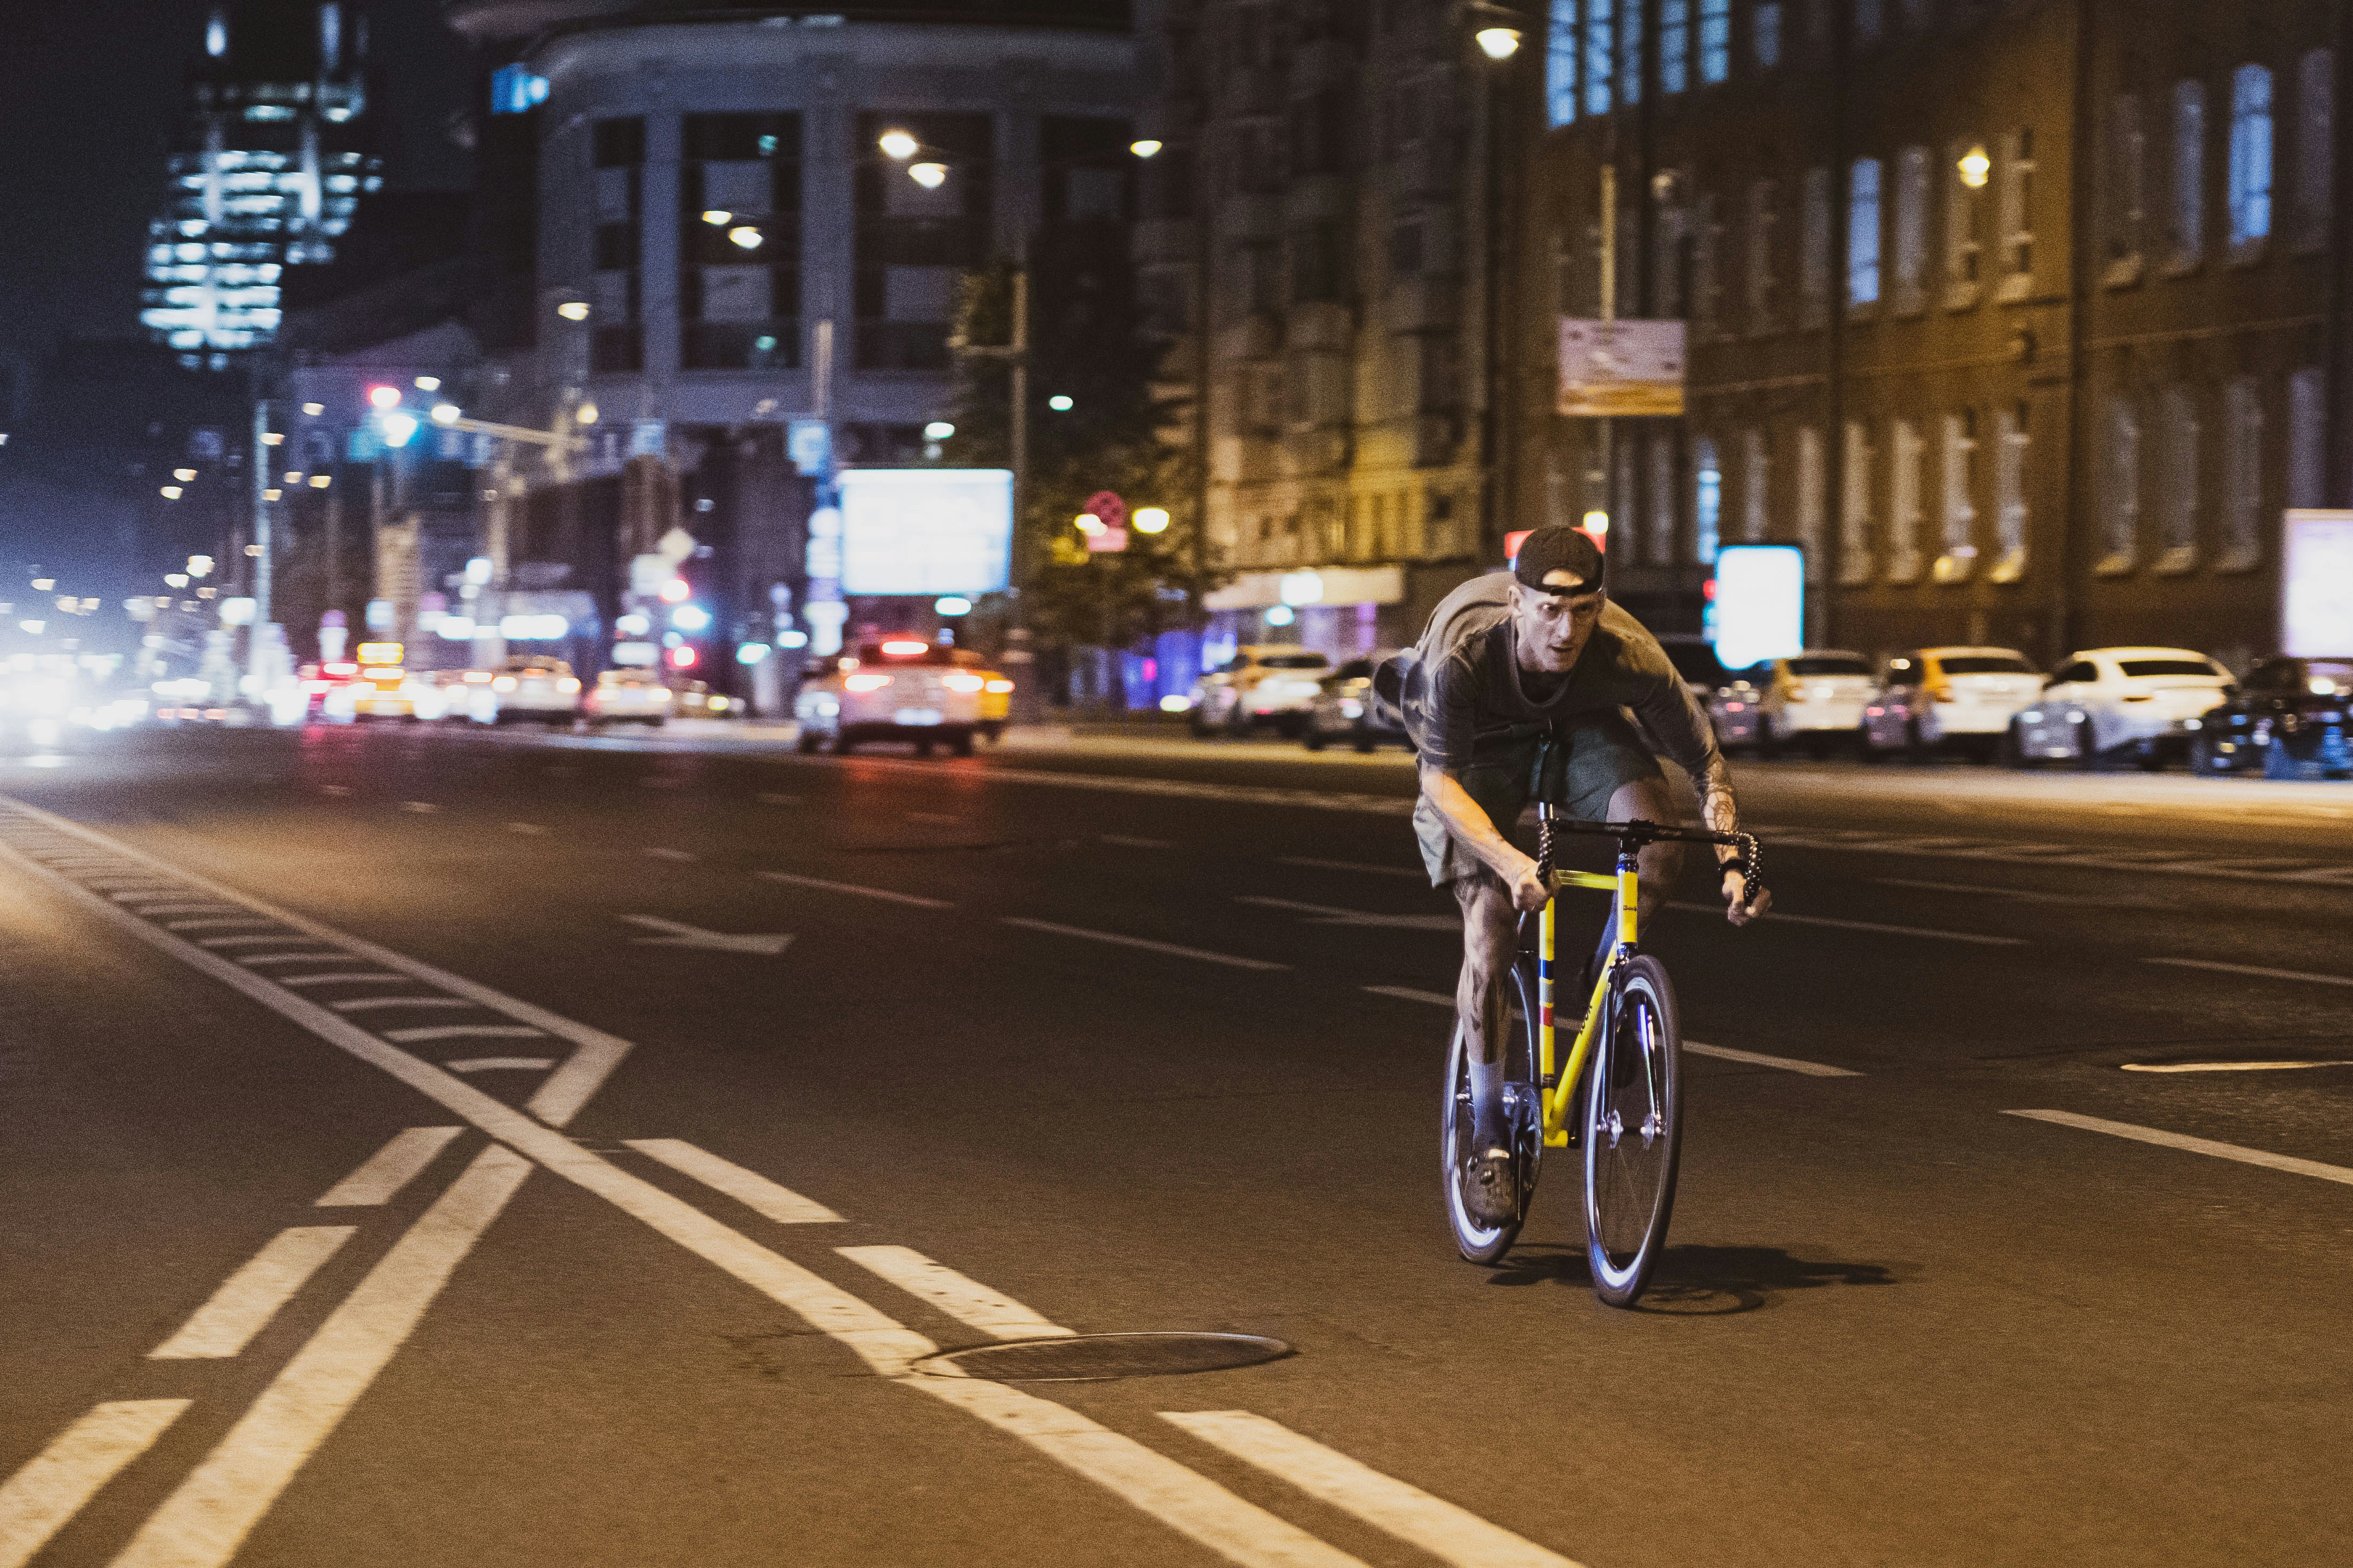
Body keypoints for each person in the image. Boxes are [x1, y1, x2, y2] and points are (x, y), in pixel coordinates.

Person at [1390, 525, 1769, 1226]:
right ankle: (1487, 1138)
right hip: (1478, 751)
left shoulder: (1627, 654)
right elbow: (1439, 782)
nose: (1567, 630)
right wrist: (1510, 864)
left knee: (1656, 844)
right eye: (1549, 610)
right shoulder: (1464, 657)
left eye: (1585, 610)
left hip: (1580, 729)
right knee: (1491, 923)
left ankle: (1609, 990)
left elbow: (1705, 765)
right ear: (1517, 601)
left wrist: (1729, 862)